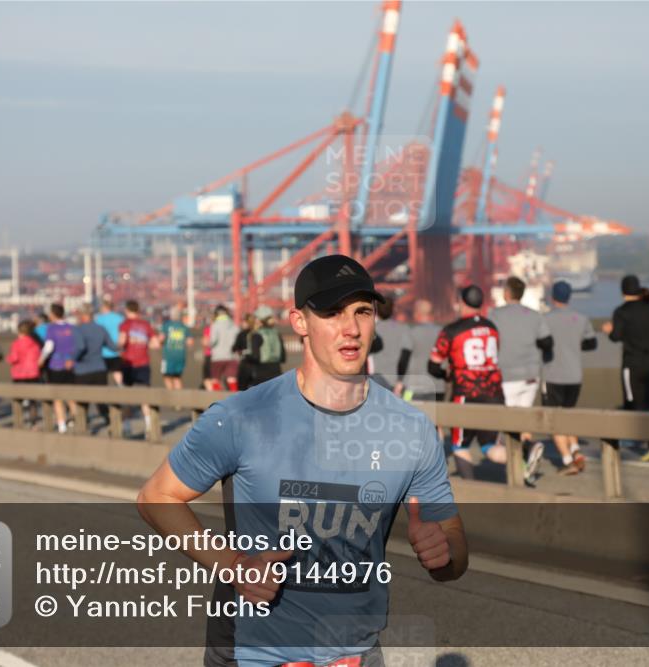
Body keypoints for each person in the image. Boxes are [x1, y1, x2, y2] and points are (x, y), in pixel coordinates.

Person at [138, 254, 466, 667]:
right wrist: (234, 565)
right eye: (332, 313)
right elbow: (157, 497)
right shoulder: (242, 416)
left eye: (362, 312)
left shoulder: (411, 428)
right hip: (253, 653)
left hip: (356, 654)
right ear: (299, 322)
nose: (351, 328)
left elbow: (454, 548)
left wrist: (444, 553)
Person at [429, 285, 506, 480]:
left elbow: (433, 366)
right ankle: (523, 457)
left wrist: (447, 374)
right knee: (490, 447)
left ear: (461, 303)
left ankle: (471, 488)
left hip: (465, 394)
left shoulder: (452, 330)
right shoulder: (492, 328)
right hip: (494, 394)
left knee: (460, 446)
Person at [488, 276, 554, 481]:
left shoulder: (495, 315)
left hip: (507, 376)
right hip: (531, 376)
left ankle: (524, 456)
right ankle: (525, 464)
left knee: (506, 424)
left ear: (506, 293)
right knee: (523, 420)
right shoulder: (534, 316)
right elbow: (547, 342)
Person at [602, 275, 649, 461]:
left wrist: (609, 331)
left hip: (632, 363)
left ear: (623, 291)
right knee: (647, 397)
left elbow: (616, 336)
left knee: (632, 401)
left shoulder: (621, 312)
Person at [543, 281, 598, 475]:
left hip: (552, 375)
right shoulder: (581, 319)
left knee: (554, 419)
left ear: (552, 297)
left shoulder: (545, 319)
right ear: (569, 297)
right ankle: (575, 450)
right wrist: (574, 346)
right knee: (568, 414)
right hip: (574, 376)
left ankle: (567, 460)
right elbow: (592, 344)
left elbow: (540, 343)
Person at [118, 299, 160, 433]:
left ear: (127, 310)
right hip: (143, 363)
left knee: (126, 395)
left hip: (129, 363)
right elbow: (156, 344)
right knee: (145, 395)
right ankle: (149, 425)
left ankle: (126, 425)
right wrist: (143, 344)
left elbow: (121, 342)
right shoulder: (145, 324)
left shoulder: (125, 324)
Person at [73, 304, 119, 425]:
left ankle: (83, 425)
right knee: (101, 399)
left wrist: (72, 359)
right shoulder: (100, 329)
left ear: (83, 315)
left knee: (82, 401)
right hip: (99, 368)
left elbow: (80, 347)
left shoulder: (78, 330)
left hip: (83, 370)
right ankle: (110, 423)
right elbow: (113, 347)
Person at [41, 303, 79, 434]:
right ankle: (75, 420)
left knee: (57, 397)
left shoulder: (51, 328)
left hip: (56, 365)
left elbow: (49, 347)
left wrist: (41, 359)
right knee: (71, 395)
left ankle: (62, 425)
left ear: (52, 314)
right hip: (71, 365)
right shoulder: (72, 328)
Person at [397, 299, 445, 402]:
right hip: (438, 387)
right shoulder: (442, 333)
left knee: (407, 409)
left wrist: (400, 381)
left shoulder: (411, 332)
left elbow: (404, 359)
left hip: (413, 388)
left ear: (417, 314)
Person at [368, 295, 410, 393]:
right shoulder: (403, 329)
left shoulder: (371, 328)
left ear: (376, 308)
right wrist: (400, 380)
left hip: (374, 379)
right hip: (393, 381)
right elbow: (405, 357)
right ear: (393, 309)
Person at [7, 320, 43, 427]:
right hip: (33, 373)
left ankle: (20, 422)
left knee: (18, 399)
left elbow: (14, 358)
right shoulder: (35, 343)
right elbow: (38, 356)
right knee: (33, 399)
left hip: (19, 374)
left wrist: (8, 359)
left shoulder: (16, 343)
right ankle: (34, 421)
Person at [246, 305, 286, 386]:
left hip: (261, 373)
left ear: (258, 320)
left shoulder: (256, 335)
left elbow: (255, 357)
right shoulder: (277, 334)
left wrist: (246, 357)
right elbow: (283, 357)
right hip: (277, 371)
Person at [160, 305, 193, 390]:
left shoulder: (166, 325)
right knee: (177, 377)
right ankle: (179, 398)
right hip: (180, 355)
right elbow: (190, 342)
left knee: (167, 376)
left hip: (168, 356)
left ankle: (171, 396)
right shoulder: (184, 327)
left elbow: (161, 338)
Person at [208, 305, 240, 391]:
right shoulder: (234, 325)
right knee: (232, 379)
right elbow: (238, 341)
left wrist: (208, 343)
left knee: (215, 379)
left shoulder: (215, 325)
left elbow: (212, 341)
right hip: (232, 357)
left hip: (218, 357)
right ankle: (235, 397)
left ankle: (218, 398)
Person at [95, 296, 125, 386]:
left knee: (103, 374)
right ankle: (120, 388)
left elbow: (96, 334)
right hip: (117, 350)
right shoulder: (119, 318)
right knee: (117, 371)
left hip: (103, 351)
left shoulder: (99, 319)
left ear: (104, 307)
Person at [231, 312, 257, 391]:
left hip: (245, 363)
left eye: (243, 321)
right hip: (258, 365)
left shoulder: (242, 334)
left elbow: (234, 348)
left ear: (247, 322)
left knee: (242, 388)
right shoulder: (257, 333)